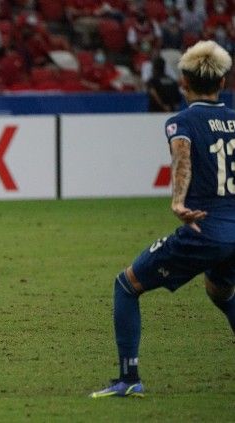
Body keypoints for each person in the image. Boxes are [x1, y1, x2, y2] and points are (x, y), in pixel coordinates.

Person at [90, 40, 235, 399]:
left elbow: (182, 156)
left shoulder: (181, 121)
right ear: (222, 84)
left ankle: (128, 378)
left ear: (183, 83)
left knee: (126, 284)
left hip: (205, 228)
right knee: (220, 289)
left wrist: (177, 200)